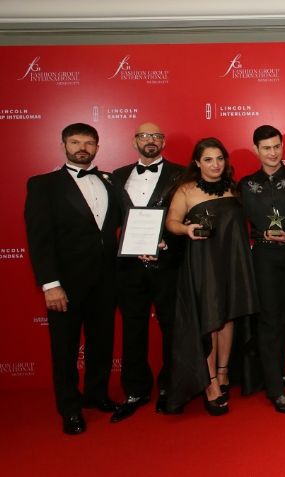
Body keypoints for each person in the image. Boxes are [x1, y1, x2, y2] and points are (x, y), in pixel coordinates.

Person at [24, 123, 121, 434]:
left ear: (97, 146)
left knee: (101, 343)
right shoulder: (43, 184)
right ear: (63, 144)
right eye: (76, 141)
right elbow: (39, 239)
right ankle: (69, 408)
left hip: (105, 281)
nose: (83, 147)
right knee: (64, 349)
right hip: (65, 284)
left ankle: (97, 394)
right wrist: (50, 284)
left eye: (89, 142)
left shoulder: (110, 181)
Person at [165, 137, 259, 416]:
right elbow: (171, 222)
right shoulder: (186, 190)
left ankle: (224, 370)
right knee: (209, 318)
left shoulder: (234, 188)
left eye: (219, 158)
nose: (215, 164)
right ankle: (210, 383)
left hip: (231, 262)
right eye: (208, 159)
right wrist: (186, 230)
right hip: (202, 262)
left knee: (228, 316)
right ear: (197, 162)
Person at [110, 122, 186, 422]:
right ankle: (136, 390)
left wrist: (168, 239)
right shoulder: (116, 177)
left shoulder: (181, 174)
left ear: (163, 141)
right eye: (144, 136)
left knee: (171, 328)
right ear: (134, 142)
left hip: (167, 264)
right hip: (128, 267)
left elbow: (187, 214)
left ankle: (169, 387)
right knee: (133, 329)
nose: (150, 140)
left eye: (156, 135)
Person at [238, 125, 285, 413]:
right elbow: (239, 226)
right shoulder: (245, 184)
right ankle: (274, 389)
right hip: (262, 259)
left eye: (276, 146)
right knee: (268, 320)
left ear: (282, 147)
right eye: (266, 147)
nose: (272, 152)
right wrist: (260, 237)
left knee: (282, 318)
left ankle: (278, 373)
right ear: (256, 150)